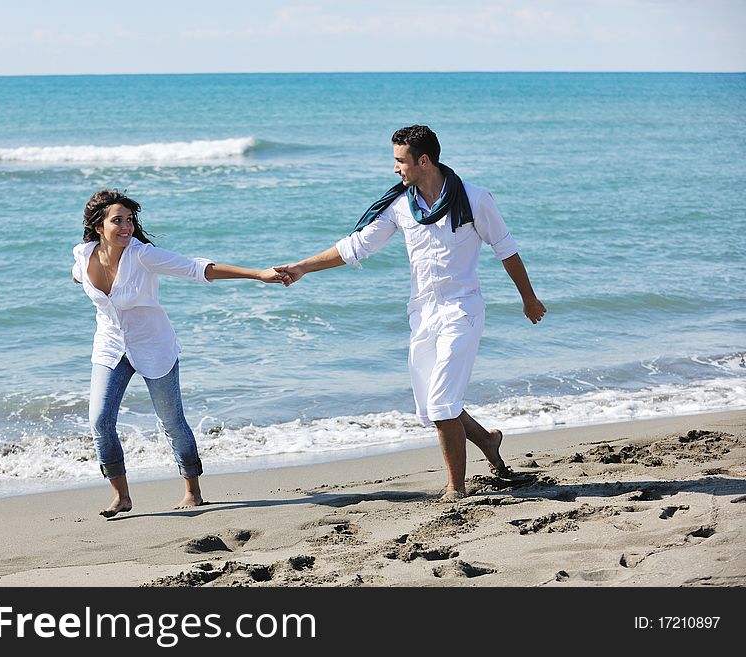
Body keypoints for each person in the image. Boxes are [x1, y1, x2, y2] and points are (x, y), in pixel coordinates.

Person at [277, 125, 546, 502]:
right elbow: (357, 246)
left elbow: (506, 248)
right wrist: (303, 266)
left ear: (423, 161)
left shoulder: (474, 199)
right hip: (422, 314)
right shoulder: (401, 206)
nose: (395, 169)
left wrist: (528, 299)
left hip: (462, 310)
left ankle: (456, 489)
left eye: (400, 161)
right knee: (433, 406)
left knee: (441, 404)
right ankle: (487, 440)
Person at [73, 189, 291, 517]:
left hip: (154, 345)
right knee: (100, 421)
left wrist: (258, 274)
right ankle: (121, 496)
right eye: (117, 221)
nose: (126, 227)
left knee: (172, 422)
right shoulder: (83, 254)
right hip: (110, 346)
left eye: (129, 220)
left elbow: (196, 268)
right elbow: (79, 277)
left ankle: (193, 489)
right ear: (98, 226)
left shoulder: (143, 255)